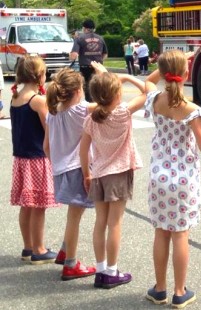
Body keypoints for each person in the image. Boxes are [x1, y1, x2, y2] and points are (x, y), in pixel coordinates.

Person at [143, 50, 201, 308]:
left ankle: (159, 289)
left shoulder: (155, 99)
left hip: (159, 177)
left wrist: (169, 65)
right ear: (185, 75)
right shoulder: (191, 110)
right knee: (180, 234)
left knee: (161, 232)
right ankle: (180, 291)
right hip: (183, 180)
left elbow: (149, 81)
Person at [80, 63, 146, 289]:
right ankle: (112, 270)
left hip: (98, 173)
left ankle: (99, 270)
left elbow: (83, 149)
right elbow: (147, 92)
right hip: (118, 173)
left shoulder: (91, 118)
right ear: (117, 94)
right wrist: (126, 77)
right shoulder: (123, 113)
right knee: (115, 223)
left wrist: (86, 173)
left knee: (100, 222)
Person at [44, 68, 98, 280]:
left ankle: (66, 250)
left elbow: (46, 146)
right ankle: (71, 263)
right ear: (77, 90)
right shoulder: (80, 110)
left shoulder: (53, 112)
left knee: (74, 214)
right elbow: (110, 102)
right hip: (77, 168)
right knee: (74, 216)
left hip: (60, 168)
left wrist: (57, 162)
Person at [9, 56, 59, 264]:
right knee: (38, 205)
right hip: (37, 158)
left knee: (26, 204)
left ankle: (28, 246)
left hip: (21, 158)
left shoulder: (16, 97)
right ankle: (39, 249)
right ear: (39, 75)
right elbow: (50, 129)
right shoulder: (37, 101)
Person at [70, 19, 108, 102]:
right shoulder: (100, 38)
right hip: (98, 68)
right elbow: (105, 54)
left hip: (85, 67)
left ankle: (91, 107)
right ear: (93, 28)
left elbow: (74, 55)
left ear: (84, 28)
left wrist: (70, 56)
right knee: (99, 88)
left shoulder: (79, 38)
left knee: (88, 89)